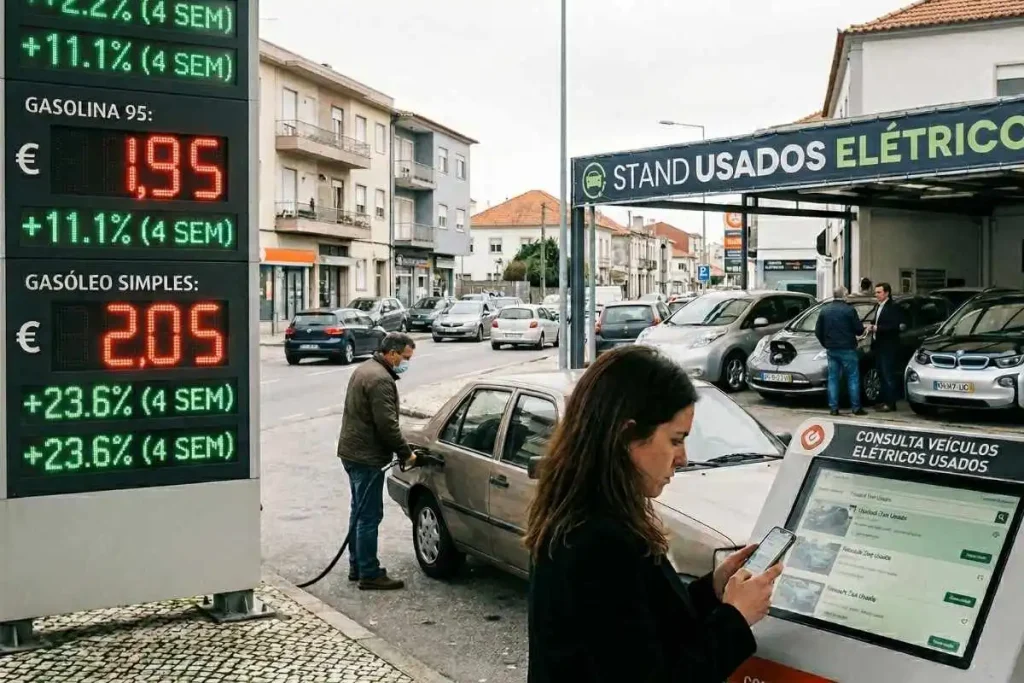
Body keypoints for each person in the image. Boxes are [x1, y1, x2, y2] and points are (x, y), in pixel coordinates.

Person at [525, 345, 781, 683]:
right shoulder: (598, 539)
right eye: (676, 440)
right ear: (627, 435)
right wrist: (735, 618)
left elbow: (638, 624)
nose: (684, 457)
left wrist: (712, 591)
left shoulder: (590, 512)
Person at [336, 332, 417, 590]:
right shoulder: (381, 379)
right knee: (369, 515)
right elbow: (388, 426)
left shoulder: (365, 369)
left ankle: (357, 565)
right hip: (366, 456)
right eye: (405, 357)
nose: (405, 363)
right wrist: (407, 454)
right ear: (391, 353)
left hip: (351, 452)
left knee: (358, 511)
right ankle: (369, 573)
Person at [815, 286, 867, 417]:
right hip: (848, 349)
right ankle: (856, 408)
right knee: (853, 378)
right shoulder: (849, 310)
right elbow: (859, 330)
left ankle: (833, 408)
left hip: (831, 349)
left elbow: (818, 331)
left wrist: (826, 343)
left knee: (833, 378)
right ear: (844, 295)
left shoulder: (825, 310)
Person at [865, 282, 905, 412]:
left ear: (886, 293)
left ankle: (891, 403)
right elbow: (877, 320)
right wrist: (871, 326)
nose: (876, 295)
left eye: (879, 292)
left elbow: (895, 326)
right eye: (876, 292)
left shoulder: (893, 307)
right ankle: (882, 401)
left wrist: (878, 328)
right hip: (878, 345)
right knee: (880, 374)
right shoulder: (878, 306)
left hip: (888, 346)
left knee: (888, 375)